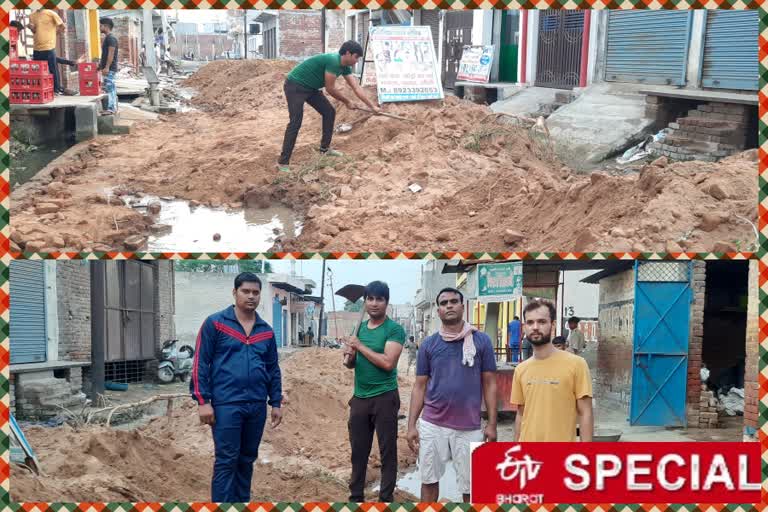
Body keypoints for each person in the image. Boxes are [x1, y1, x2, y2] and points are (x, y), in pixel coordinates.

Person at [190, 272, 283, 502]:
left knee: (247, 459)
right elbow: (201, 362)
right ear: (235, 292)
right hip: (226, 405)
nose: (251, 297)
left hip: (256, 406)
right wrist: (203, 401)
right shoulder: (216, 324)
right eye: (246, 291)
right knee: (226, 460)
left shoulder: (266, 331)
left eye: (255, 292)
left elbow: (273, 369)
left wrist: (276, 402)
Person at [406, 288, 497, 503]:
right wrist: (411, 425)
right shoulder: (428, 345)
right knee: (428, 481)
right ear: (438, 310)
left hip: (470, 426)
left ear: (462, 307)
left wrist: (492, 424)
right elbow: (419, 387)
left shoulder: (481, 341)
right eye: (444, 302)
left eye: (454, 301)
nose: (449, 305)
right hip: (433, 424)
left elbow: (490, 384)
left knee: (472, 487)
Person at [341, 281, 406, 503]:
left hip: (385, 397)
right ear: (365, 301)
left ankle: (385, 499)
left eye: (379, 299)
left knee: (388, 452)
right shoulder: (357, 329)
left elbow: (388, 363)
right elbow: (350, 365)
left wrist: (359, 346)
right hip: (360, 398)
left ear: (386, 302)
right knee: (358, 452)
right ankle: (356, 497)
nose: (374, 303)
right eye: (370, 299)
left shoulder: (394, 330)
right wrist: (348, 354)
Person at [277, 41, 381, 172]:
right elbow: (330, 89)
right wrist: (347, 101)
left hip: (311, 88)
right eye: (356, 57)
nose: (356, 61)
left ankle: (324, 150)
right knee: (296, 122)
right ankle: (283, 162)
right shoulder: (333, 61)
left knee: (329, 112)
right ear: (348, 53)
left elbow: (356, 87)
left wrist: (372, 107)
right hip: (295, 85)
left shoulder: (345, 67)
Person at [511, 300, 593, 442]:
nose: (535, 327)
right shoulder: (521, 370)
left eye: (542, 322)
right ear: (524, 327)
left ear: (553, 325)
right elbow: (521, 414)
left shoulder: (577, 364)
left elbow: (585, 413)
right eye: (530, 322)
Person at [28, 9, 65, 94]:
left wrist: (54, 35)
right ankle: (38, 90)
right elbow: (34, 31)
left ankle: (56, 90)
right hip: (36, 48)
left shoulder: (51, 13)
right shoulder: (32, 15)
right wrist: (31, 28)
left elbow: (62, 26)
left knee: (53, 69)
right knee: (36, 70)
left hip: (49, 46)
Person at [98, 18, 119, 115]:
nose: (99, 27)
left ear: (106, 26)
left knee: (110, 88)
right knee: (111, 88)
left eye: (101, 25)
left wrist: (106, 67)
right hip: (108, 68)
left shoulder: (111, 38)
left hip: (109, 69)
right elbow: (105, 55)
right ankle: (113, 108)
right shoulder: (108, 38)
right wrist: (100, 66)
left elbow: (111, 54)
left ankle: (111, 109)